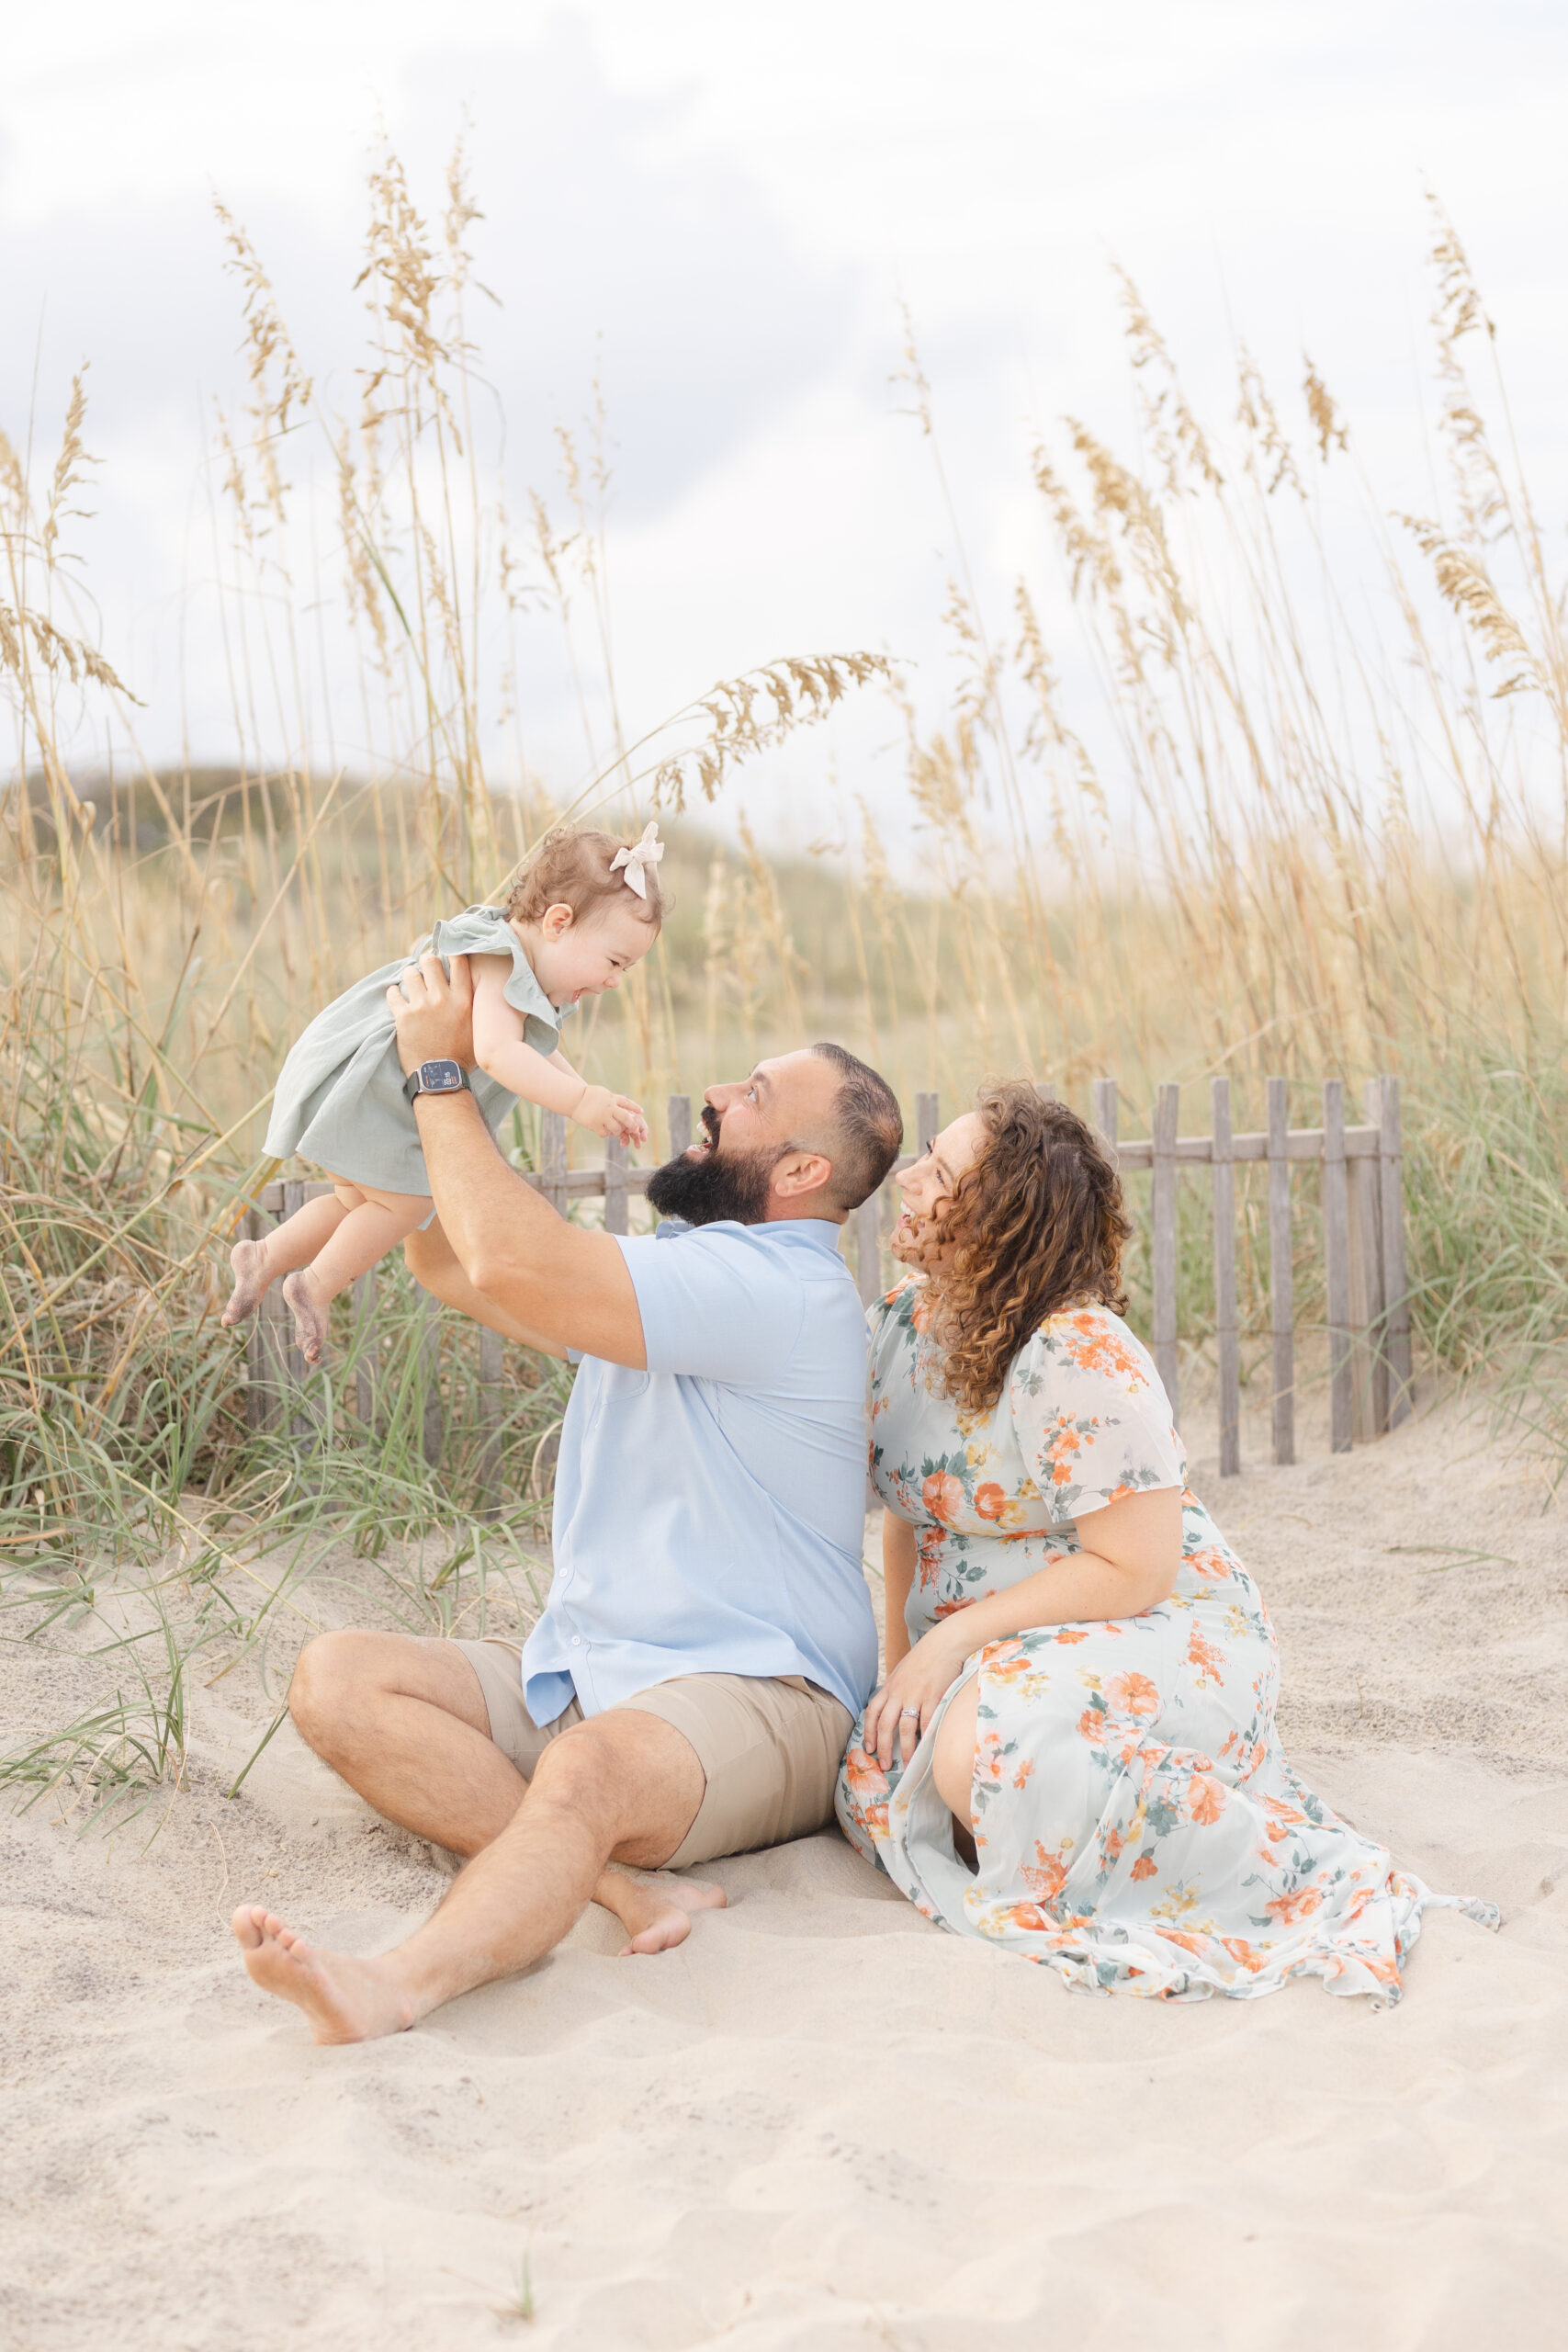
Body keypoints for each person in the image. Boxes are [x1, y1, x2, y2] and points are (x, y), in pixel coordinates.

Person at [231, 949, 904, 2042]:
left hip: (766, 1691)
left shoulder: (774, 1290)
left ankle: (394, 1985)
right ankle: (619, 1888)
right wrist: (418, 1110)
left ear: (797, 1175)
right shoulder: (692, 1271)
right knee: (338, 1679)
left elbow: (507, 1255)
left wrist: (440, 1077)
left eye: (754, 1097)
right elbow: (455, 1264)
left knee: (585, 1769)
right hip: (605, 1673)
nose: (718, 1096)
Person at [837, 1080, 1497, 1999]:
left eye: (939, 1170)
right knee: (895, 1758)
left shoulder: (1075, 1353)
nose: (907, 1180)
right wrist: (903, 1669)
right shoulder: (901, 1330)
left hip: (1157, 1621)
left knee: (981, 1751)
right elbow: (913, 1512)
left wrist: (951, 1643)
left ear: (994, 1216)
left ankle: (1268, 1869)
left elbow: (1136, 1565)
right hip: (1012, 1638)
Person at [222, 822, 661, 1366]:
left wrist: (589, 1096)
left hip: (376, 1093)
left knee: (356, 1203)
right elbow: (499, 1052)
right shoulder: (501, 959)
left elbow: (535, 1047)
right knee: (407, 1203)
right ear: (558, 923)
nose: (616, 980)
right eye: (615, 962)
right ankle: (312, 1285)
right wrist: (577, 1102)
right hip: (378, 1090)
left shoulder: (518, 965)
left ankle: (263, 1256)